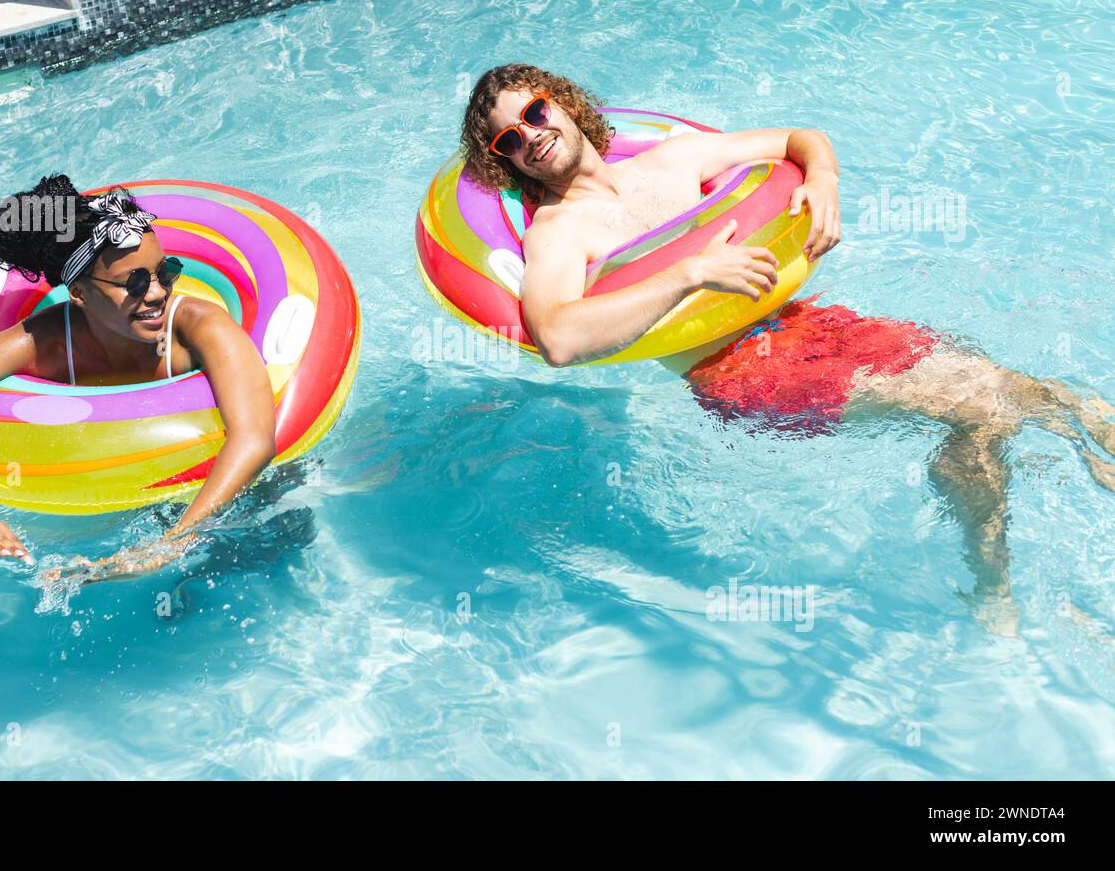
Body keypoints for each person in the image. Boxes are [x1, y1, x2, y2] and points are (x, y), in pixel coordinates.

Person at [459, 63, 1115, 636]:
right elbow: (560, 337)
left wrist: (822, 179)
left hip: (809, 321)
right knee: (982, 403)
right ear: (505, 161)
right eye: (509, 139)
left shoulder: (673, 160)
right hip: (742, 372)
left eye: (536, 111)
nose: (533, 134)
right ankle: (993, 594)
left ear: (563, 103)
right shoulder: (558, 233)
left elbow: (800, 138)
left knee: (1038, 394)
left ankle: (981, 492)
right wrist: (687, 273)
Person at [0, 176, 277, 583]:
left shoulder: (200, 327)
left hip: (231, 493)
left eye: (165, 272)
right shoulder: (41, 343)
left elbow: (254, 439)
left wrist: (168, 546)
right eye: (134, 283)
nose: (157, 294)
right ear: (81, 293)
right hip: (106, 499)